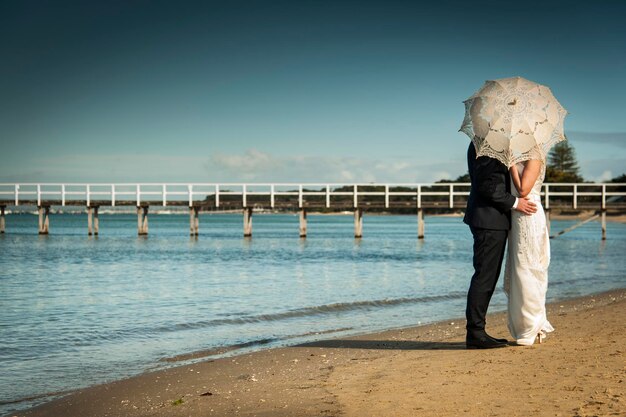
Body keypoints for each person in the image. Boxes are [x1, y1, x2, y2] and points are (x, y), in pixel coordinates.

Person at [463, 142, 537, 349]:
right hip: (488, 220)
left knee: (488, 276)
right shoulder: (488, 144)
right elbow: (486, 185)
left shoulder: (490, 142)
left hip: (493, 220)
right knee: (484, 277)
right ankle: (475, 333)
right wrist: (515, 203)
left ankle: (478, 331)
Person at [503, 159, 554, 345]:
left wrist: (510, 167)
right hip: (516, 218)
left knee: (528, 270)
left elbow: (523, 190)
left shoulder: (535, 157)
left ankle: (531, 327)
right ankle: (523, 326)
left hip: (529, 214)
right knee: (517, 271)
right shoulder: (517, 156)